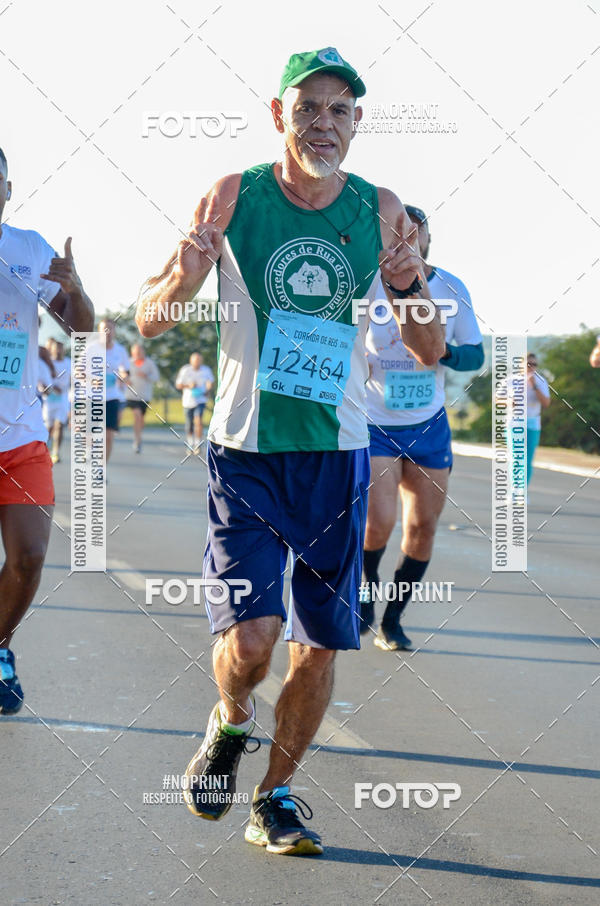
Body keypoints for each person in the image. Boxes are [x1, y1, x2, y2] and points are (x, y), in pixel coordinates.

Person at [136, 48, 444, 855]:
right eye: (309, 107)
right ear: (280, 115)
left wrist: (410, 284)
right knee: (251, 644)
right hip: (245, 453)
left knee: (317, 644)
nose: (324, 124)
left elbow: (429, 348)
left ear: (357, 124)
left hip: (336, 457)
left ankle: (274, 799)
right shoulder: (234, 195)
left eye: (340, 111)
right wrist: (185, 278)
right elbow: (149, 320)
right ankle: (231, 719)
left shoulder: (382, 209)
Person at [362, 204, 484, 650]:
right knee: (379, 521)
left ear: (427, 240)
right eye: (394, 236)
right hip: (375, 421)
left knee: (423, 527)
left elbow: (475, 356)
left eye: (413, 236)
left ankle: (393, 621)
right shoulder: (368, 285)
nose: (404, 244)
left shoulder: (451, 287)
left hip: (428, 423)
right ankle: (364, 597)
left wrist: (438, 350)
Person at [0, 146, 93, 713]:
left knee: (30, 556)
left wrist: (77, 292)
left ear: (8, 191)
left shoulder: (27, 250)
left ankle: (0, 647)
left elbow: (80, 329)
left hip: (21, 436)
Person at [97, 318, 129, 463]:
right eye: (104, 329)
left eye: (110, 329)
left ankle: (100, 469)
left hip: (111, 397)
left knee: (108, 436)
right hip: (92, 397)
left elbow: (125, 371)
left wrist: (123, 376)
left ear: (114, 332)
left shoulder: (120, 350)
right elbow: (79, 372)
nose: (107, 333)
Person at [175, 352, 214, 452]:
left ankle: (198, 443)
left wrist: (208, 390)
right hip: (188, 401)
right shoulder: (185, 370)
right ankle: (190, 442)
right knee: (189, 423)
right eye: (195, 361)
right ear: (191, 361)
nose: (197, 363)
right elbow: (178, 385)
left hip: (200, 400)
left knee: (198, 420)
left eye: (199, 361)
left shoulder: (206, 370)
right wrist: (189, 385)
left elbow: (210, 382)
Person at [125, 342, 160, 453]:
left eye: (140, 351)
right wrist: (126, 379)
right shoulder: (128, 363)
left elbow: (156, 377)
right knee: (137, 416)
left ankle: (138, 436)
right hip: (131, 395)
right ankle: (137, 441)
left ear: (143, 352)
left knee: (141, 419)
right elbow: (122, 374)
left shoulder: (149, 363)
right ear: (132, 353)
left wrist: (146, 376)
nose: (138, 354)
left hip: (145, 396)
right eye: (135, 352)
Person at [42, 338, 71, 463]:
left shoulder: (69, 362)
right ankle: (44, 451)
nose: (58, 350)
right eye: (56, 348)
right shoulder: (47, 363)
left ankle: (56, 452)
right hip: (49, 399)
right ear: (52, 349)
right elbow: (41, 380)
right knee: (49, 428)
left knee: (59, 425)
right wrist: (52, 387)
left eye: (60, 348)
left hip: (63, 398)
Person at [526, 352, 550, 485]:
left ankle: (522, 492)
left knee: (528, 459)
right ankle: (514, 490)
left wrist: (534, 386)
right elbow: (497, 398)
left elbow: (546, 403)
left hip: (533, 423)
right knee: (516, 457)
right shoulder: (511, 380)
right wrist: (508, 401)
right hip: (514, 423)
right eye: (528, 364)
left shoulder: (540, 381)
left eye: (534, 364)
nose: (531, 367)